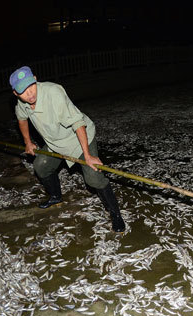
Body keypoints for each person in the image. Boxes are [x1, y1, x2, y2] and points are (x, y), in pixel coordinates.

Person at [9, 66, 125, 232]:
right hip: (55, 143)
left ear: (35, 78)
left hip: (78, 139)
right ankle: (56, 196)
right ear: (16, 94)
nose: (30, 93)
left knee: (93, 177)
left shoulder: (54, 93)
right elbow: (21, 120)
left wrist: (87, 155)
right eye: (23, 91)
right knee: (40, 166)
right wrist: (28, 142)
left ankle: (115, 213)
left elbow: (78, 124)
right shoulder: (22, 103)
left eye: (31, 86)